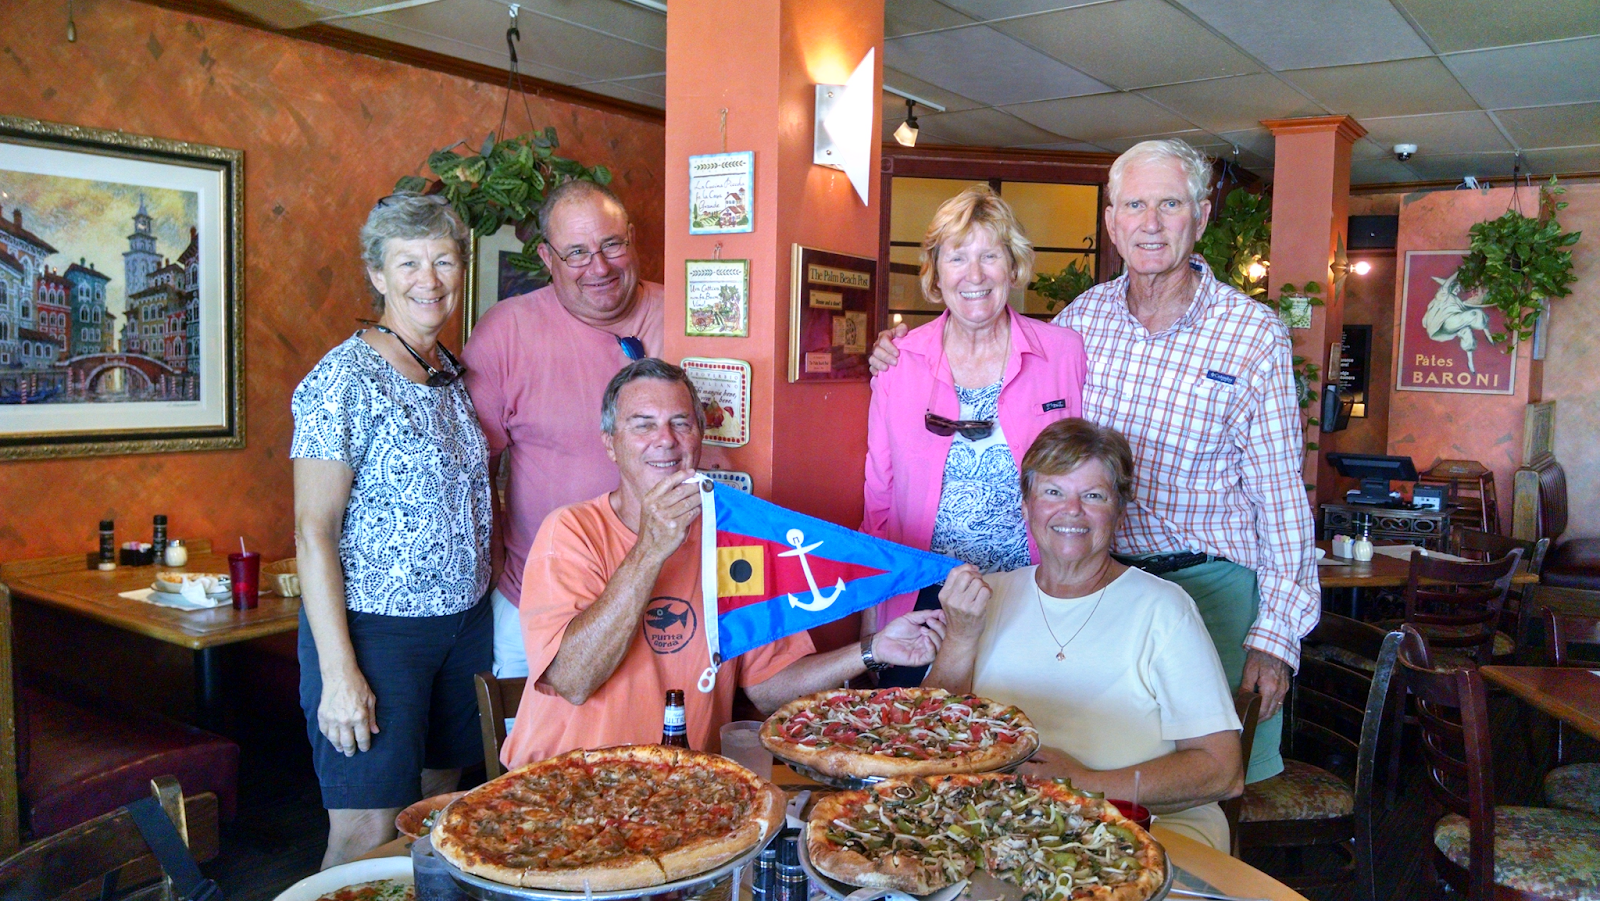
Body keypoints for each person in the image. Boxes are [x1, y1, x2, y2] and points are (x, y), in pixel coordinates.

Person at [871, 140, 1319, 782]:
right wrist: (897, 349)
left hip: (1208, 582)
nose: (1151, 223)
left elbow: (1280, 497)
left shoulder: (1252, 334)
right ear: (1112, 222)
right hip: (1084, 581)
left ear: (1201, 215)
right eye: (1134, 206)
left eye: (1170, 204)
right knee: (1084, 754)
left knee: (1207, 778)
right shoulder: (1082, 323)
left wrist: (1276, 637)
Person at [500, 358, 947, 766]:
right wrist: (651, 550)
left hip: (690, 791)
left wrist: (872, 650)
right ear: (611, 445)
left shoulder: (732, 540)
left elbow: (770, 688)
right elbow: (573, 681)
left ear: (699, 437)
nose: (665, 440)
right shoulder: (571, 531)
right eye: (643, 425)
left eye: (681, 423)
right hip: (566, 784)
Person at [926, 419, 1243, 851]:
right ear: (1026, 506)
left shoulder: (1164, 608)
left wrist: (1082, 783)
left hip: (1143, 829)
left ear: (1118, 510)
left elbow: (1222, 771)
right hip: (1003, 828)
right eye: (1053, 492)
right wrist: (960, 638)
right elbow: (931, 739)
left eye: (1093, 496)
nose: (1072, 510)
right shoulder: (984, 596)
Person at [291, 192, 492, 867]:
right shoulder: (342, 379)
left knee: (434, 816)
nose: (428, 279)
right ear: (377, 274)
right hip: (376, 635)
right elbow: (313, 530)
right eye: (408, 262)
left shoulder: (448, 373)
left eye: (444, 260)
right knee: (363, 832)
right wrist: (339, 671)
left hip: (462, 627)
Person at [862, 184, 1086, 686]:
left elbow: (1090, 476)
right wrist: (872, 614)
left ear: (1013, 265)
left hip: (1034, 591)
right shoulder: (898, 362)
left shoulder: (1065, 353)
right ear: (936, 272)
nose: (975, 275)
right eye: (957, 257)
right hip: (923, 598)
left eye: (990, 255)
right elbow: (878, 496)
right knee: (921, 724)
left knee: (1028, 721)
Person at [463, 179, 665, 680]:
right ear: (546, 257)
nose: (599, 267)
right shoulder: (506, 331)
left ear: (632, 238)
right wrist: (495, 577)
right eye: (576, 253)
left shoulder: (690, 314)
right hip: (539, 603)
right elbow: (473, 474)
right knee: (535, 733)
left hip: (669, 598)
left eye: (611, 245)